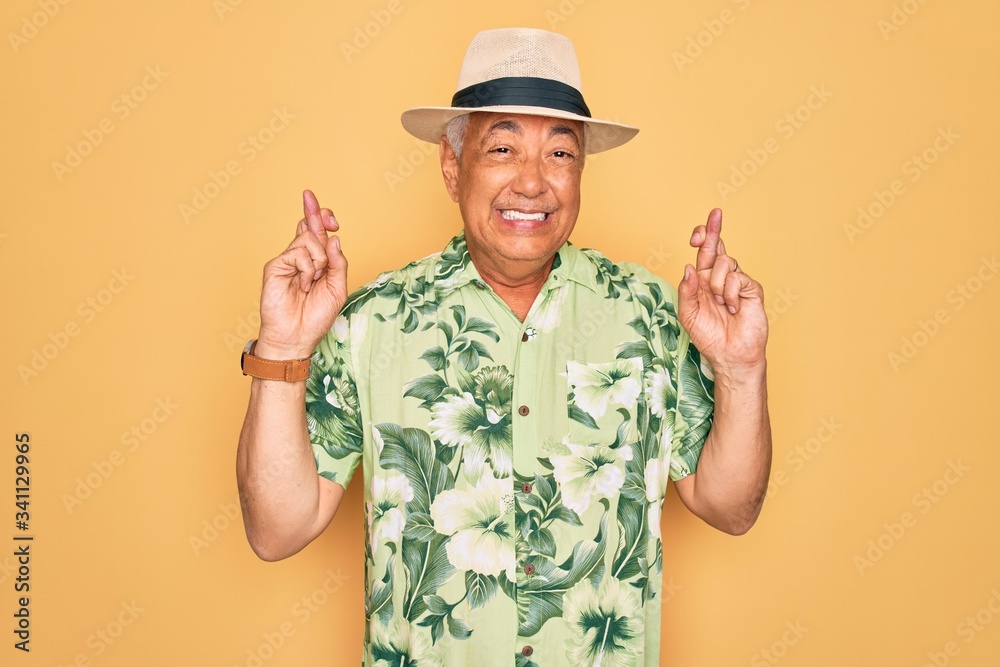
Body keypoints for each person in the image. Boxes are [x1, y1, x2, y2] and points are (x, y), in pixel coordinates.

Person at [237, 27, 770, 667]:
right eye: (502, 147)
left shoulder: (650, 313)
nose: (532, 183)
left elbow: (729, 507)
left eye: (560, 154)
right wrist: (283, 347)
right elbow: (276, 530)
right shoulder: (373, 322)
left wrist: (741, 369)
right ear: (452, 166)